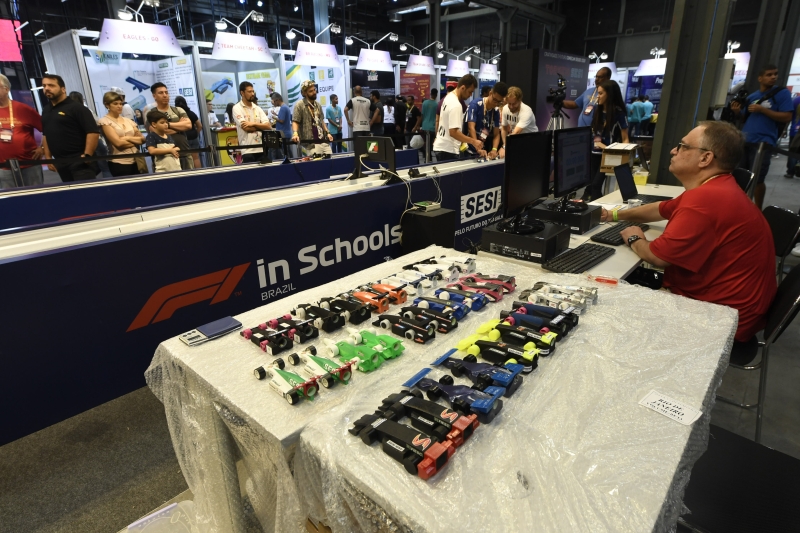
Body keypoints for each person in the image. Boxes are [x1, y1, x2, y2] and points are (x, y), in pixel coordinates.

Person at [601, 121, 776, 347]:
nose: (674, 150)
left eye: (683, 146)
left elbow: (658, 258)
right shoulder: (717, 186)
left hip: (719, 318)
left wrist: (635, 238)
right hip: (732, 307)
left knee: (604, 300)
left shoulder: (704, 201)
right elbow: (661, 209)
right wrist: (613, 216)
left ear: (705, 158)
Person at [730, 64, 793, 210]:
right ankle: (739, 205)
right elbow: (745, 118)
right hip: (746, 140)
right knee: (741, 176)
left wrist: (763, 110)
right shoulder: (753, 97)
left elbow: (787, 116)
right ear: (760, 78)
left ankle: (757, 209)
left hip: (763, 142)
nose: (773, 77)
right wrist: (737, 112)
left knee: (758, 178)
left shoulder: (781, 94)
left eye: (775, 74)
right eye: (769, 74)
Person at [41, 74, 101, 182]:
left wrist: (87, 155)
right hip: (60, 162)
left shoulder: (77, 108)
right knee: (72, 195)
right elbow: (46, 134)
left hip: (80, 162)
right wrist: (48, 158)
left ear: (63, 89)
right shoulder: (46, 110)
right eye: (44, 86)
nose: (47, 88)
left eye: (51, 85)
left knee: (86, 195)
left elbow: (93, 132)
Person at [584, 79, 629, 201]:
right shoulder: (597, 110)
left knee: (596, 184)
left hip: (608, 155)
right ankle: (595, 210)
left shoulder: (618, 113)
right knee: (590, 184)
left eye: (601, 93)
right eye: (598, 93)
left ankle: (596, 212)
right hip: (594, 153)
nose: (598, 97)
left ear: (610, 94)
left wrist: (621, 154)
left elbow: (625, 138)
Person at [0, 73, 44, 188]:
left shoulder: (23, 109)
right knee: (11, 199)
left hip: (29, 164)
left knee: (35, 196)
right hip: (3, 166)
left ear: (6, 89)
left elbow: (48, 129)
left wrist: (42, 148)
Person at [433, 74, 484, 161]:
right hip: (448, 150)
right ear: (463, 88)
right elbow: (453, 132)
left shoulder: (448, 97)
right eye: (470, 92)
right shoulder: (456, 104)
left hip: (442, 147)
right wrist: (473, 141)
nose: (470, 95)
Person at [146, 82, 193, 170]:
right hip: (163, 159)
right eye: (161, 93)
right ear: (154, 96)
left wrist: (166, 125)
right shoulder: (151, 113)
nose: (165, 95)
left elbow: (188, 125)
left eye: (166, 92)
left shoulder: (178, 110)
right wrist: (179, 128)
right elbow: (153, 130)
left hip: (183, 152)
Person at [98, 91, 144, 177]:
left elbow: (142, 139)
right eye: (115, 104)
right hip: (119, 162)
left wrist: (127, 138)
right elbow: (118, 143)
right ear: (107, 105)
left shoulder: (128, 120)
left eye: (120, 103)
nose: (119, 106)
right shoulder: (104, 121)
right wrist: (135, 141)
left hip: (137, 160)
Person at [231, 81, 271, 164]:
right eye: (249, 92)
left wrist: (253, 124)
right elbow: (246, 128)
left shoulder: (257, 108)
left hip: (261, 148)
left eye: (253, 91)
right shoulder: (237, 108)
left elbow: (268, 126)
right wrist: (260, 126)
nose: (252, 94)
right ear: (242, 93)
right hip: (247, 149)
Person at [466, 82, 507, 160]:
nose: (496, 103)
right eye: (495, 100)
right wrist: (478, 148)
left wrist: (494, 149)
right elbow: (471, 128)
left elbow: (496, 134)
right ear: (490, 93)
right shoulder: (476, 104)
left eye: (499, 102)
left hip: (482, 149)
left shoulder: (495, 111)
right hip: (468, 149)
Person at [291, 80, 333, 157]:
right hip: (311, 144)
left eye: (314, 90)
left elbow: (322, 121)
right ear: (304, 93)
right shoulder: (299, 105)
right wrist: (295, 133)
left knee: (331, 163)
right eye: (311, 91)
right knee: (316, 166)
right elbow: (295, 121)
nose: (314, 92)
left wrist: (327, 132)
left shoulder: (318, 105)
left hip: (323, 141)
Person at [499, 86, 537, 158]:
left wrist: (504, 147)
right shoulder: (505, 108)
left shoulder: (526, 111)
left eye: (514, 104)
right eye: (509, 103)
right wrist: (505, 144)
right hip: (516, 142)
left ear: (520, 100)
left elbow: (516, 132)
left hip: (531, 142)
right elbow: (504, 128)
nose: (511, 106)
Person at [175, 96, 202, 169]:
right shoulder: (191, 113)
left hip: (183, 138)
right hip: (193, 137)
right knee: (196, 157)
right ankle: (199, 173)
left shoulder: (177, 115)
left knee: (185, 158)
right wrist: (196, 133)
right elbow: (199, 125)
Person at [270, 93, 293, 158]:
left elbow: (282, 120)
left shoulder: (283, 108)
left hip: (284, 133)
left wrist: (274, 117)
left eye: (274, 101)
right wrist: (276, 115)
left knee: (286, 153)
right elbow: (283, 118)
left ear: (277, 100)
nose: (274, 103)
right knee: (287, 151)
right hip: (286, 132)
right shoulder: (285, 107)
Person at [421, 88, 438, 161]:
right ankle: (429, 157)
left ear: (430, 93)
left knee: (425, 143)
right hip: (432, 127)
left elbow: (422, 115)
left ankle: (426, 157)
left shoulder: (424, 103)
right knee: (431, 143)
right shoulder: (437, 104)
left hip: (425, 126)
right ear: (436, 95)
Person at [785, 94, 800, 178]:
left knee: (793, 151)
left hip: (794, 130)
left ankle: (790, 171)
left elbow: (789, 116)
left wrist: (784, 130)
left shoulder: (795, 100)